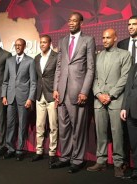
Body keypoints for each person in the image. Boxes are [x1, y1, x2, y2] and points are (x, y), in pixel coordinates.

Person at [51, 12, 96, 173]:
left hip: (78, 92)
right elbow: (59, 67)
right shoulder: (62, 41)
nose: (71, 23)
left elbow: (91, 68)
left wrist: (85, 91)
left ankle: (77, 160)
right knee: (63, 128)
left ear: (81, 23)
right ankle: (65, 157)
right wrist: (56, 88)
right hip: (62, 91)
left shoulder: (88, 40)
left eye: (74, 21)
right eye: (69, 20)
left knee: (78, 128)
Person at [87, 29, 131, 177]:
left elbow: (125, 78)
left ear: (115, 38)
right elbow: (94, 78)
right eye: (103, 38)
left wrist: (110, 95)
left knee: (117, 133)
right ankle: (101, 160)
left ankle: (119, 163)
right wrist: (99, 94)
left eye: (108, 38)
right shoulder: (97, 57)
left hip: (115, 100)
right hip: (99, 101)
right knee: (100, 132)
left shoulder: (125, 55)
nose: (105, 40)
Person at [2, 38, 36, 161]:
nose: (17, 47)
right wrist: (4, 95)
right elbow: (5, 81)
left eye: (19, 45)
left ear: (24, 46)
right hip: (10, 97)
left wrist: (30, 99)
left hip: (23, 98)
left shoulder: (30, 61)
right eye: (16, 45)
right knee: (10, 124)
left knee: (22, 125)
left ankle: (19, 149)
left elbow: (33, 82)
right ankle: (10, 148)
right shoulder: (9, 61)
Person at [31, 35, 58, 167]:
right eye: (41, 42)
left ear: (50, 43)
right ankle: (39, 151)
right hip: (39, 95)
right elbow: (37, 77)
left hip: (52, 95)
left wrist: (56, 91)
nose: (42, 44)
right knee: (40, 125)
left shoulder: (56, 56)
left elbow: (59, 76)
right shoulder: (36, 58)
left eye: (45, 42)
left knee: (53, 126)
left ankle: (52, 153)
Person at [120, 66, 137, 180]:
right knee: (134, 144)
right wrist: (124, 107)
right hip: (131, 110)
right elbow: (128, 88)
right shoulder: (134, 66)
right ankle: (136, 169)